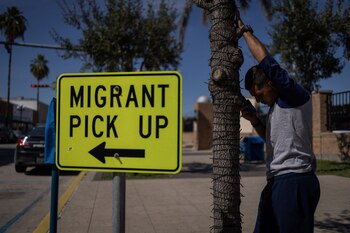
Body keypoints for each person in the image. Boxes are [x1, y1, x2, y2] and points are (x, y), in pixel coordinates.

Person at [237, 13, 320, 233]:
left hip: (294, 182)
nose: (260, 100)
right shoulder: (275, 108)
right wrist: (255, 120)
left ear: (271, 83)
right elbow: (273, 141)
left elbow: (268, 63)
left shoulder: (293, 96)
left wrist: (243, 30)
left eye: (260, 94)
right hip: (277, 182)